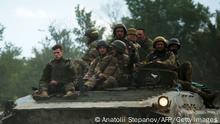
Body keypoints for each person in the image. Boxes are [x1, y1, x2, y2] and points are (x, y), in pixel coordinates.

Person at [168, 38, 218, 108]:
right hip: (170, 78)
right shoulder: (167, 55)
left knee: (203, 87)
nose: (174, 48)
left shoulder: (175, 56)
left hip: (177, 77)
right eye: (172, 46)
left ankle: (209, 102)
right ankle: (207, 98)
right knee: (188, 85)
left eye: (175, 46)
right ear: (168, 47)